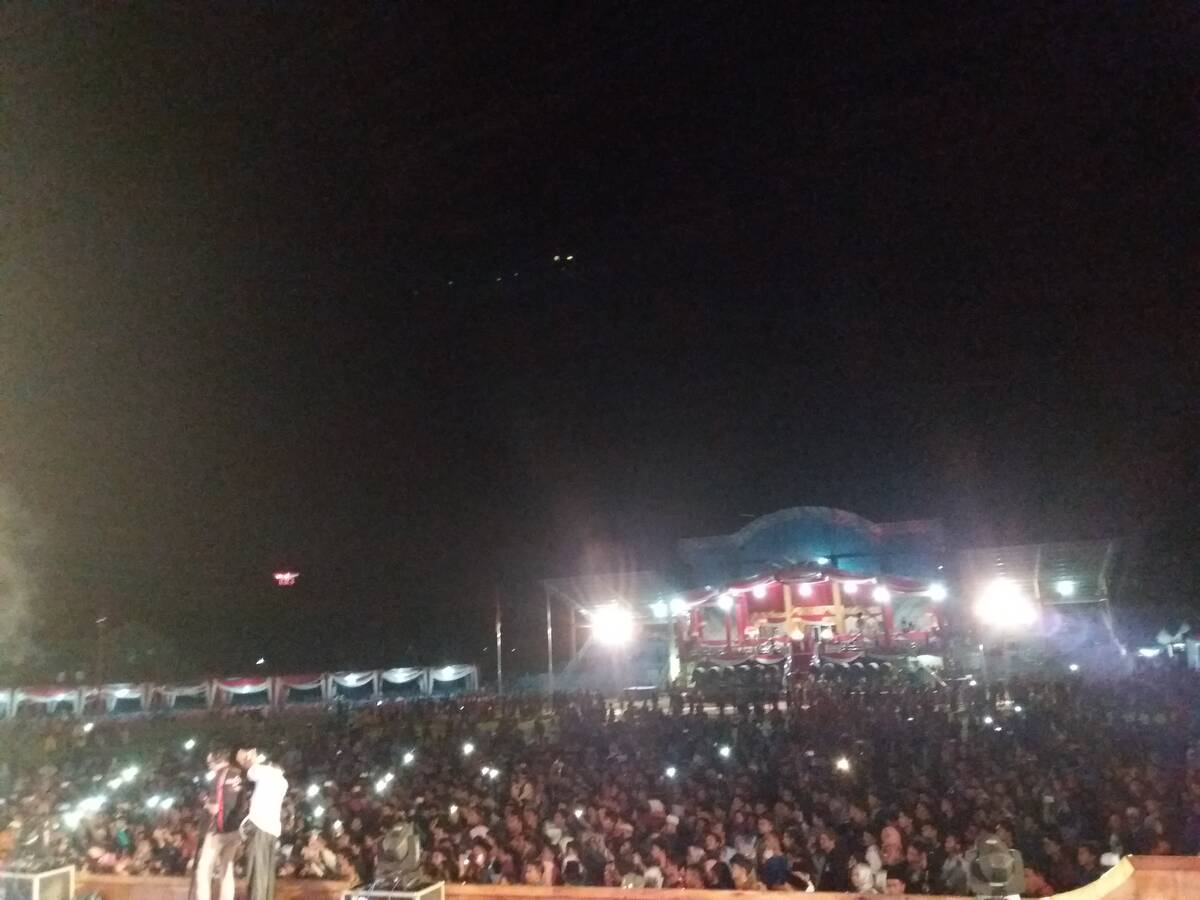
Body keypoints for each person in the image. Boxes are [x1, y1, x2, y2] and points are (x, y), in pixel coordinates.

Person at [193, 748, 247, 900]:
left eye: (210, 762)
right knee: (226, 869)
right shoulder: (239, 774)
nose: (209, 765)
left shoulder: (219, 776)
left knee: (204, 869)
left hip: (218, 831)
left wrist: (204, 802)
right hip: (235, 830)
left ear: (218, 760)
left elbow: (215, 808)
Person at [237, 747, 288, 900]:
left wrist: (249, 757)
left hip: (260, 827)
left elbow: (250, 771)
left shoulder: (266, 772)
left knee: (257, 873)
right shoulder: (283, 781)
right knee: (266, 873)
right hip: (272, 830)